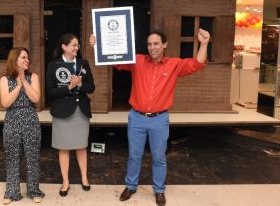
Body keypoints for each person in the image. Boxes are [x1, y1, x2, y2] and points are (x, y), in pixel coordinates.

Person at [90, 28, 210, 206]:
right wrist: (98, 45)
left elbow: (197, 63)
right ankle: (131, 186)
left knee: (159, 157)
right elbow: (114, 59)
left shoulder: (174, 65)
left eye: (156, 43)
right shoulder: (137, 60)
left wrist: (204, 43)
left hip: (159, 119)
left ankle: (159, 190)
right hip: (136, 118)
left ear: (164, 45)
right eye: (149, 44)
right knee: (134, 156)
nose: (152, 47)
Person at [46, 33, 95, 197]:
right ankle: (65, 181)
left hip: (81, 110)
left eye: (78, 45)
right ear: (64, 47)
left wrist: (80, 85)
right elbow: (50, 92)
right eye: (73, 45)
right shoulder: (54, 65)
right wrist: (68, 87)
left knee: (81, 146)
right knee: (64, 147)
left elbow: (91, 88)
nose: (76, 48)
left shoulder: (83, 63)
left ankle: (84, 177)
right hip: (62, 112)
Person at [0, 47, 45, 205]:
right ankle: (12, 192)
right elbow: (5, 102)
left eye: (27, 57)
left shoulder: (33, 77)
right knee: (12, 157)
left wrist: (24, 81)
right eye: (23, 57)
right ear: (15, 59)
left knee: (32, 157)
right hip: (12, 120)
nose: (27, 60)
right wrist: (18, 85)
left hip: (30, 119)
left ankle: (33, 190)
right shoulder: (5, 80)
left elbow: (36, 98)